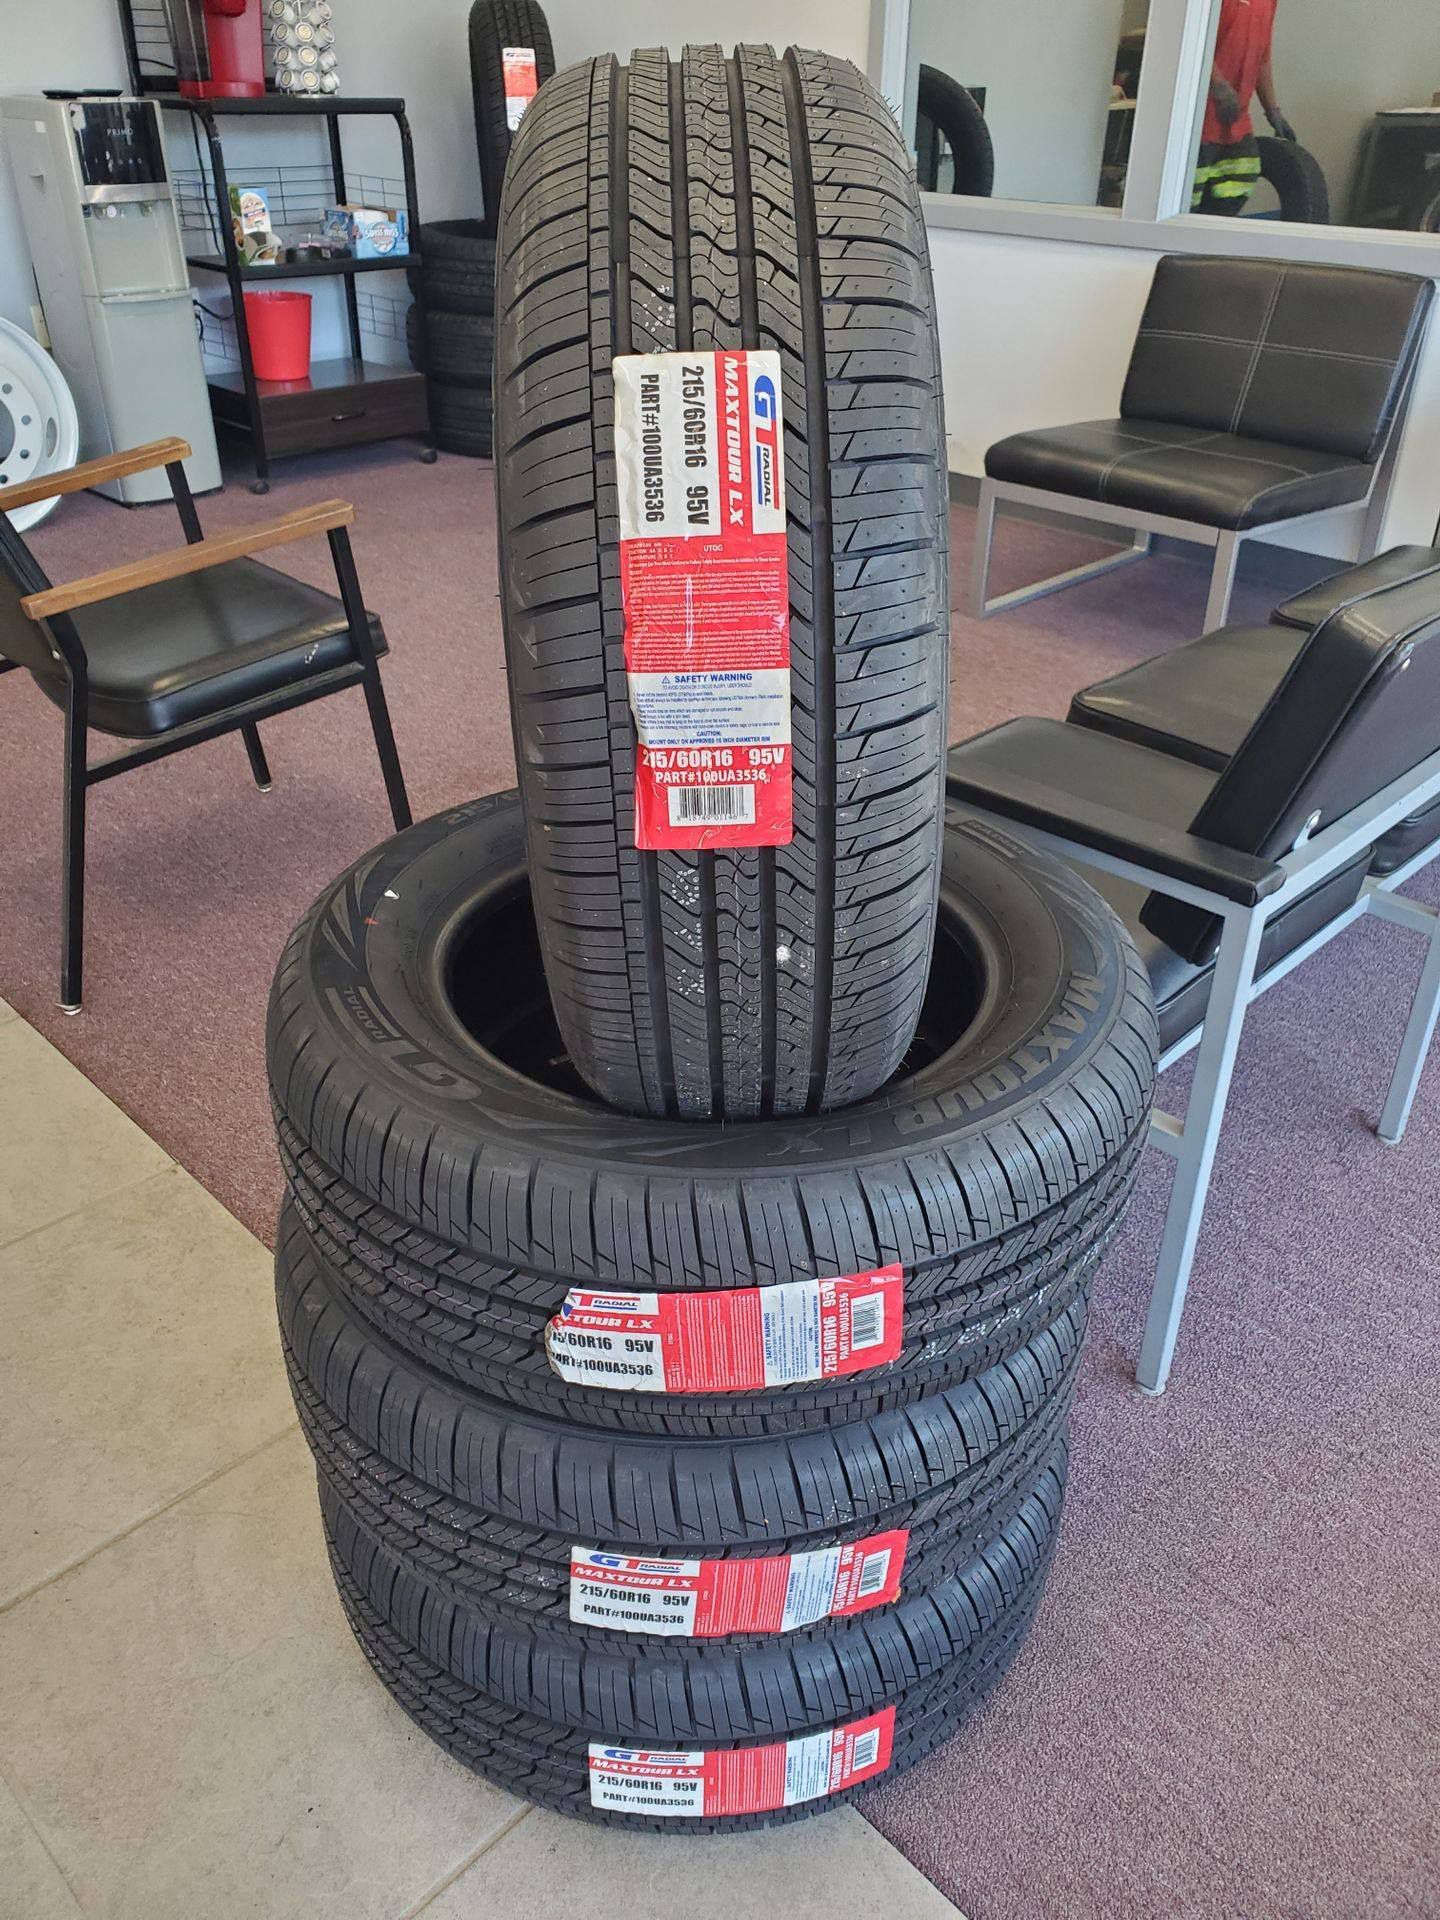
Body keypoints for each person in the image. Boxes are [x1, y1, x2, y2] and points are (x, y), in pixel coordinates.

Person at [1192, 0, 1296, 215]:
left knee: (1238, 185)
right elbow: (1192, 38)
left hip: (1235, 124)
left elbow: (1262, 55)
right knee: (1185, 204)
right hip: (1194, 125)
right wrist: (1218, 85)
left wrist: (1272, 109)